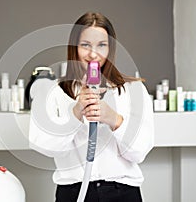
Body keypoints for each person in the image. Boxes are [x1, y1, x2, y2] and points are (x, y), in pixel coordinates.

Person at [29, 12, 154, 202]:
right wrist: (76, 112)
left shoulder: (133, 91)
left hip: (122, 193)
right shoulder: (54, 93)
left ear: (110, 49)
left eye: (101, 45)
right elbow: (43, 144)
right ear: (74, 48)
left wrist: (114, 119)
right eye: (85, 45)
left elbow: (139, 152)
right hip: (73, 193)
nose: (93, 54)